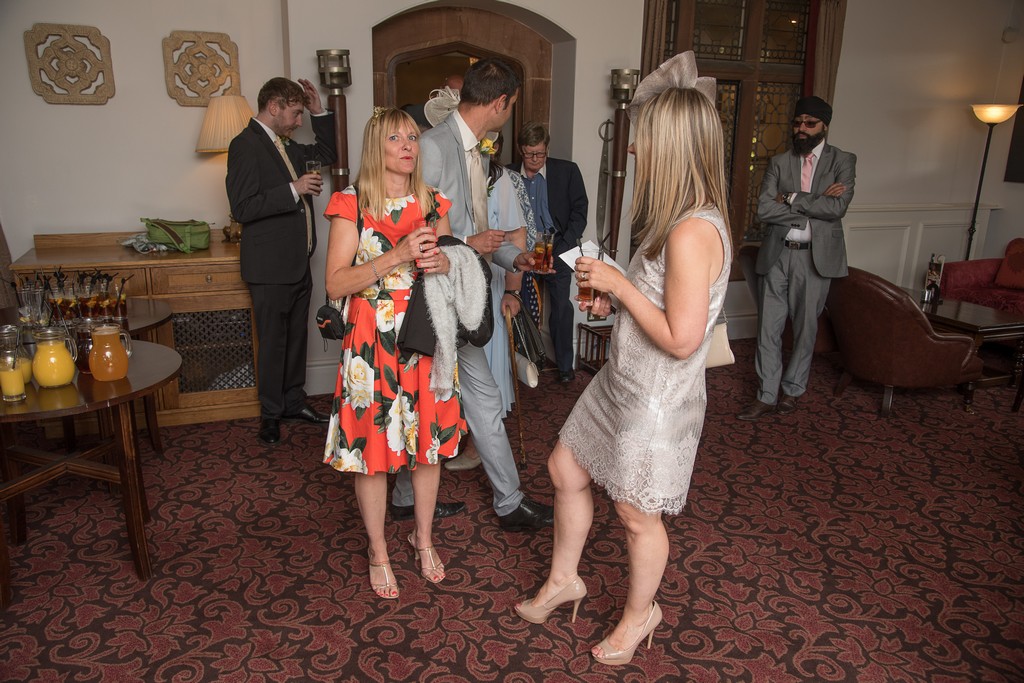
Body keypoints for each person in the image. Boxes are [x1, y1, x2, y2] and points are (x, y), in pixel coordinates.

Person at [515, 53, 730, 667]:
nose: (633, 150)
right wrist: (616, 297)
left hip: (656, 398)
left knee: (637, 515)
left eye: (644, 139)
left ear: (673, 147)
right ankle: (565, 580)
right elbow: (659, 305)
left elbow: (683, 339)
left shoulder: (692, 231)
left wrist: (618, 284)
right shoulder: (674, 219)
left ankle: (641, 616)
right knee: (565, 467)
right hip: (622, 381)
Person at [390, 57, 553, 532]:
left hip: (464, 298)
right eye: (512, 104)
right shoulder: (433, 146)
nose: (510, 112)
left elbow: (478, 234)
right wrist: (470, 244)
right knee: (428, 401)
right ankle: (412, 496)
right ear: (500, 103)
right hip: (431, 303)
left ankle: (506, 500)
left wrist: (515, 260)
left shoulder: (477, 152)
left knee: (480, 397)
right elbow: (412, 229)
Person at [322, 107, 476, 600]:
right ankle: (378, 550)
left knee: (427, 444)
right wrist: (397, 256)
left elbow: (451, 266)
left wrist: (445, 262)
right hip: (371, 342)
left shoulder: (432, 201)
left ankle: (423, 539)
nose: (408, 145)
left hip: (426, 337)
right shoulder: (351, 203)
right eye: (396, 137)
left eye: (412, 137)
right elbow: (335, 283)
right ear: (376, 146)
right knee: (372, 451)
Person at [226, 77, 336, 445]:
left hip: (297, 262)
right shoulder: (244, 145)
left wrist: (319, 111)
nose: (298, 121)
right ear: (273, 107)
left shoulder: (285, 145)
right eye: (296, 113)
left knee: (297, 339)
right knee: (273, 342)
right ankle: (270, 415)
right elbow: (243, 207)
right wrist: (294, 189)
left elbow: (328, 152)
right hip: (269, 266)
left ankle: (293, 402)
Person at [737, 95, 856, 421]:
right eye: (797, 122)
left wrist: (790, 198)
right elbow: (764, 209)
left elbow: (837, 208)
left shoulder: (842, 161)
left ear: (824, 126)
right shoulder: (779, 162)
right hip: (777, 255)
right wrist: (814, 203)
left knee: (805, 330)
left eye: (809, 123)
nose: (801, 129)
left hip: (815, 259)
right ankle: (766, 395)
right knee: (768, 329)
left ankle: (792, 391)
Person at [510, 122, 588, 383]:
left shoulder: (567, 171)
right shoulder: (507, 174)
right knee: (515, 303)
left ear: (547, 149)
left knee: (562, 307)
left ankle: (565, 367)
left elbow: (580, 212)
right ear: (521, 149)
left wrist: (563, 247)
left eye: (540, 154)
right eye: (530, 154)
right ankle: (520, 363)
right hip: (521, 250)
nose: (535, 159)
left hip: (558, 247)